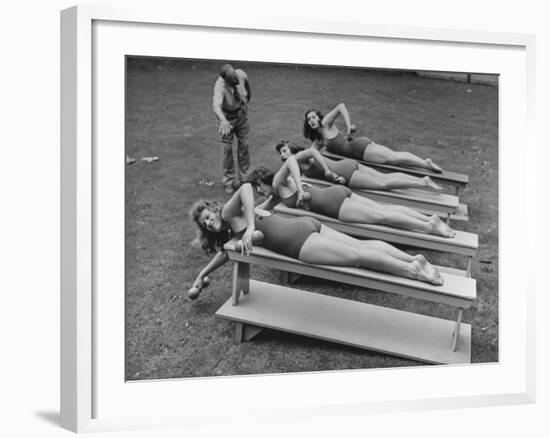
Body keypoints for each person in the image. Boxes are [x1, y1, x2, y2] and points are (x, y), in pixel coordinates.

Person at [188, 183, 443, 300]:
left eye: (208, 216)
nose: (210, 222)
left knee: (358, 256)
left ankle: (412, 270)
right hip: (303, 226)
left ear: (214, 209)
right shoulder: (232, 232)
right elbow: (224, 254)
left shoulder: (229, 215)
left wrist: (251, 227)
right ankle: (414, 259)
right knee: (361, 246)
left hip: (298, 242)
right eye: (205, 224)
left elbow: (244, 187)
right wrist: (201, 275)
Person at [247, 161, 455, 237]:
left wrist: (300, 191)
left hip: (333, 205)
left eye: (258, 189)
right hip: (336, 192)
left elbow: (292, 159)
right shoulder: (277, 192)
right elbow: (263, 206)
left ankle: (428, 225)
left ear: (260, 182)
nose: (260, 193)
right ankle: (429, 219)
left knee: (382, 216)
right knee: (384, 209)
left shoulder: (276, 183)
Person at [303, 103, 443, 172]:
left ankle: (426, 163)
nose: (312, 120)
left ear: (319, 117)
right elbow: (309, 154)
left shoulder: (326, 123)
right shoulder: (319, 140)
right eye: (309, 120)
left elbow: (341, 106)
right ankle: (423, 164)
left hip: (359, 148)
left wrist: (348, 126)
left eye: (313, 117)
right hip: (358, 154)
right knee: (392, 161)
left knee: (392, 157)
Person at [275, 140, 442, 191]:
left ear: (291, 148)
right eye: (281, 153)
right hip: (348, 165)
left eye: (284, 150)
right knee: (384, 177)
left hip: (346, 174)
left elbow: (312, 152)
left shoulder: (298, 157)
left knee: (384, 184)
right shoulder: (294, 164)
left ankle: (422, 183)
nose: (283, 155)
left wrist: (327, 171)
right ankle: (422, 179)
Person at [212, 64, 252, 194]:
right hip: (226, 119)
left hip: (241, 115)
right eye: (233, 79)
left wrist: (246, 101)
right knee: (227, 150)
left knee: (244, 145)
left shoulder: (240, 74)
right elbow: (216, 105)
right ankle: (228, 181)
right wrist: (223, 120)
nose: (236, 80)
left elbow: (247, 87)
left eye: (236, 77)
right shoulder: (220, 87)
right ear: (226, 80)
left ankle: (245, 178)